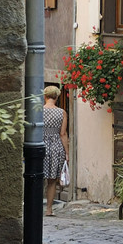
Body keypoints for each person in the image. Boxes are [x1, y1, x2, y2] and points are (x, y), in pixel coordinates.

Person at [42, 85, 68, 216]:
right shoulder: (62, 112)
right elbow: (63, 134)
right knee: (52, 181)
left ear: (45, 96)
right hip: (56, 147)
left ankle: (33, 208)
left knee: (36, 178)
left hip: (40, 145)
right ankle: (49, 210)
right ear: (56, 97)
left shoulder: (39, 111)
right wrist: (67, 153)